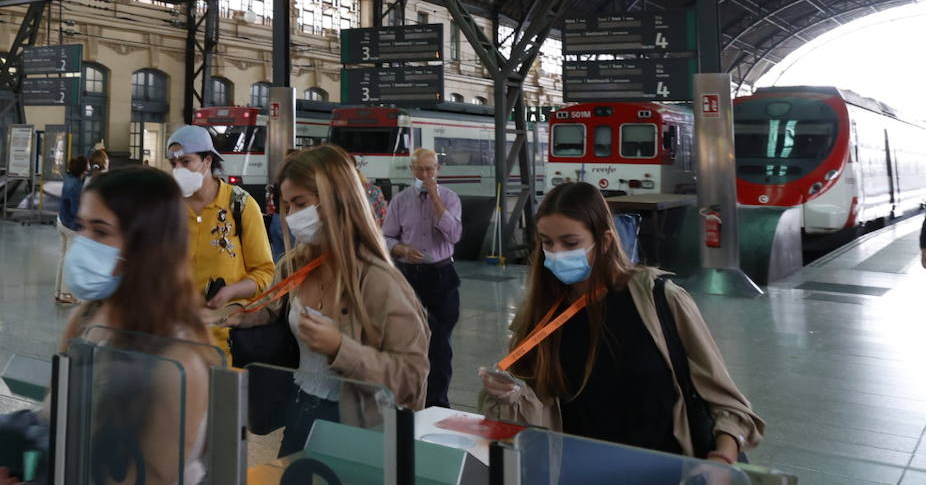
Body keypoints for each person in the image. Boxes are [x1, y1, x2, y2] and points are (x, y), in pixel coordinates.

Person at [478, 182, 763, 462]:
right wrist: (506, 394)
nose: (556, 253)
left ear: (604, 240)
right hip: (583, 470)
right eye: (546, 242)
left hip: (667, 469)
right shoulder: (542, 313)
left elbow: (727, 403)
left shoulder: (659, 299)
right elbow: (533, 415)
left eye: (570, 242)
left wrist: (723, 458)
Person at [0, 167, 213, 484]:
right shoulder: (87, 319)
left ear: (148, 246)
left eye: (100, 231)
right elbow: (58, 415)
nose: (82, 242)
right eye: (82, 226)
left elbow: (153, 477)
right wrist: (10, 428)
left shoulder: (179, 359)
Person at [226, 144, 430, 457]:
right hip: (300, 413)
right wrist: (248, 316)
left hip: (359, 428)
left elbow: (412, 379)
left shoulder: (378, 281)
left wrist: (340, 348)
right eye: (287, 206)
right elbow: (274, 308)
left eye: (300, 204)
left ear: (336, 201)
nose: (293, 216)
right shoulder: (294, 265)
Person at [166, 124, 274, 356]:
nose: (178, 170)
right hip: (172, 340)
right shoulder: (166, 208)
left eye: (186, 162)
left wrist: (230, 293)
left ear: (207, 161)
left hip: (223, 342)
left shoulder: (240, 205)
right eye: (173, 164)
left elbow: (264, 273)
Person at [382, 148, 462, 408]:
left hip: (442, 276)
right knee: (406, 338)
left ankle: (437, 403)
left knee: (439, 343)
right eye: (420, 170)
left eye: (430, 169)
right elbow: (386, 237)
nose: (426, 175)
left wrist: (436, 200)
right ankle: (406, 398)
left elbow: (454, 235)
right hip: (409, 277)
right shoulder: (400, 201)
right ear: (412, 170)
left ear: (438, 170)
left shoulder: (450, 199)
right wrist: (401, 249)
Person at [55, 154, 88, 305]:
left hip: (61, 221)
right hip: (71, 226)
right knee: (69, 260)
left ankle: (58, 292)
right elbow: (76, 211)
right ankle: (66, 294)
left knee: (62, 258)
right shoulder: (75, 187)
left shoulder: (68, 177)